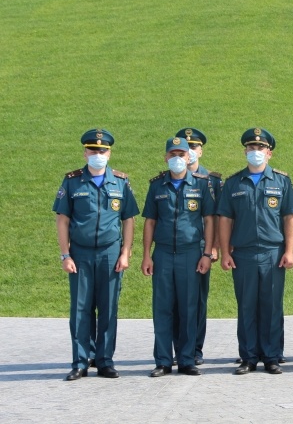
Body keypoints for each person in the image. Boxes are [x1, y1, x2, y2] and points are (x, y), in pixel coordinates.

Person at [54, 128, 139, 381]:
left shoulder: (121, 182)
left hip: (110, 253)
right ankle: (80, 361)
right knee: (80, 308)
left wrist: (125, 252)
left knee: (108, 307)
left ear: (109, 153)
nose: (97, 154)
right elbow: (62, 220)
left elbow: (129, 220)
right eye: (93, 150)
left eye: (102, 150)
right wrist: (65, 255)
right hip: (79, 253)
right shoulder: (72, 181)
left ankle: (104, 360)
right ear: (85, 152)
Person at [217, 128, 293, 375]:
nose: (255, 152)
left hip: (273, 253)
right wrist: (225, 252)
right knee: (246, 306)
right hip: (243, 254)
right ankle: (249, 357)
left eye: (260, 148)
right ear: (245, 152)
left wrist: (289, 250)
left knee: (272, 305)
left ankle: (272, 356)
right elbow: (225, 220)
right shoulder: (233, 183)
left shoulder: (282, 181)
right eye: (251, 148)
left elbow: (289, 217)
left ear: (269, 153)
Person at [141, 137, 216, 377]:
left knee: (188, 308)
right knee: (163, 308)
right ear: (166, 157)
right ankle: (163, 360)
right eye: (172, 154)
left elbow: (209, 220)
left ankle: (186, 359)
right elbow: (150, 222)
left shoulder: (201, 185)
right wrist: (146, 256)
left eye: (181, 154)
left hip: (191, 253)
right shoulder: (157, 185)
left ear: (189, 157)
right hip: (162, 253)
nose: (177, 159)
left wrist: (207, 253)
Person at [175, 127, 223, 366]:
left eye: (194, 147)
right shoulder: (170, 178)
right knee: (175, 302)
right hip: (177, 248)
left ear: (200, 151)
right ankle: (177, 348)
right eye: (187, 147)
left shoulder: (213, 180)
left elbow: (217, 218)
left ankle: (195, 348)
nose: (190, 151)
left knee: (197, 301)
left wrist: (214, 247)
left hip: (202, 250)